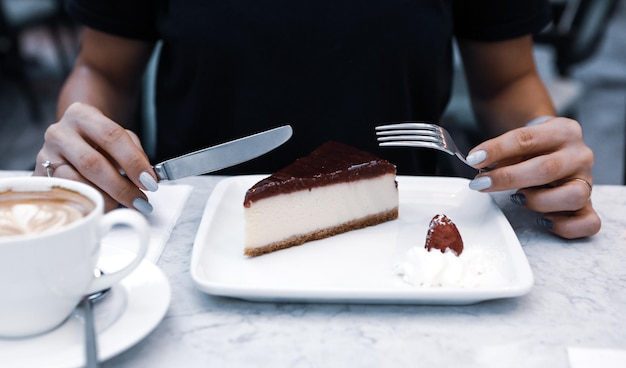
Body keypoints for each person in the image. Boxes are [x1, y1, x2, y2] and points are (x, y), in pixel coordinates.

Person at [34, 0, 601, 239]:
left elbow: (506, 80)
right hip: (193, 233)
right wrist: (83, 145)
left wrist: (542, 156)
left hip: (411, 231)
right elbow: (102, 69)